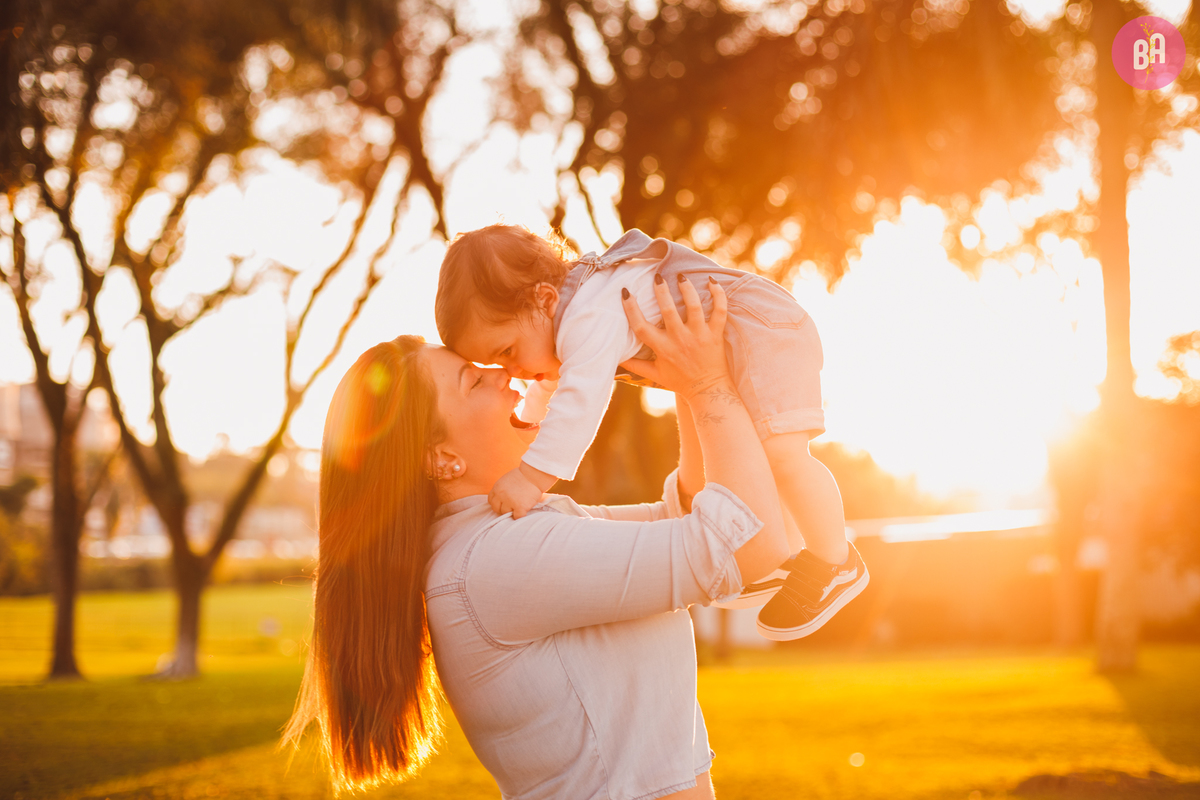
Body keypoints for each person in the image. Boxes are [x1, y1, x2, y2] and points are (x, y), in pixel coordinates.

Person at [284, 277, 789, 798]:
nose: (507, 376)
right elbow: (745, 546)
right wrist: (708, 385)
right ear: (440, 458)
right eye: (474, 382)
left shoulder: (509, 535)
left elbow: (679, 516)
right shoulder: (492, 563)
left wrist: (682, 373)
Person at [434, 225, 868, 640]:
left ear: (545, 298)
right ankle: (780, 564)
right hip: (741, 334)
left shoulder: (587, 317)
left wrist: (532, 477)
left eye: (507, 352)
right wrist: (529, 428)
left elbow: (579, 403)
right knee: (758, 455)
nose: (513, 373)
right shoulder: (565, 320)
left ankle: (837, 562)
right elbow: (551, 388)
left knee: (782, 455)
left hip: (759, 327)